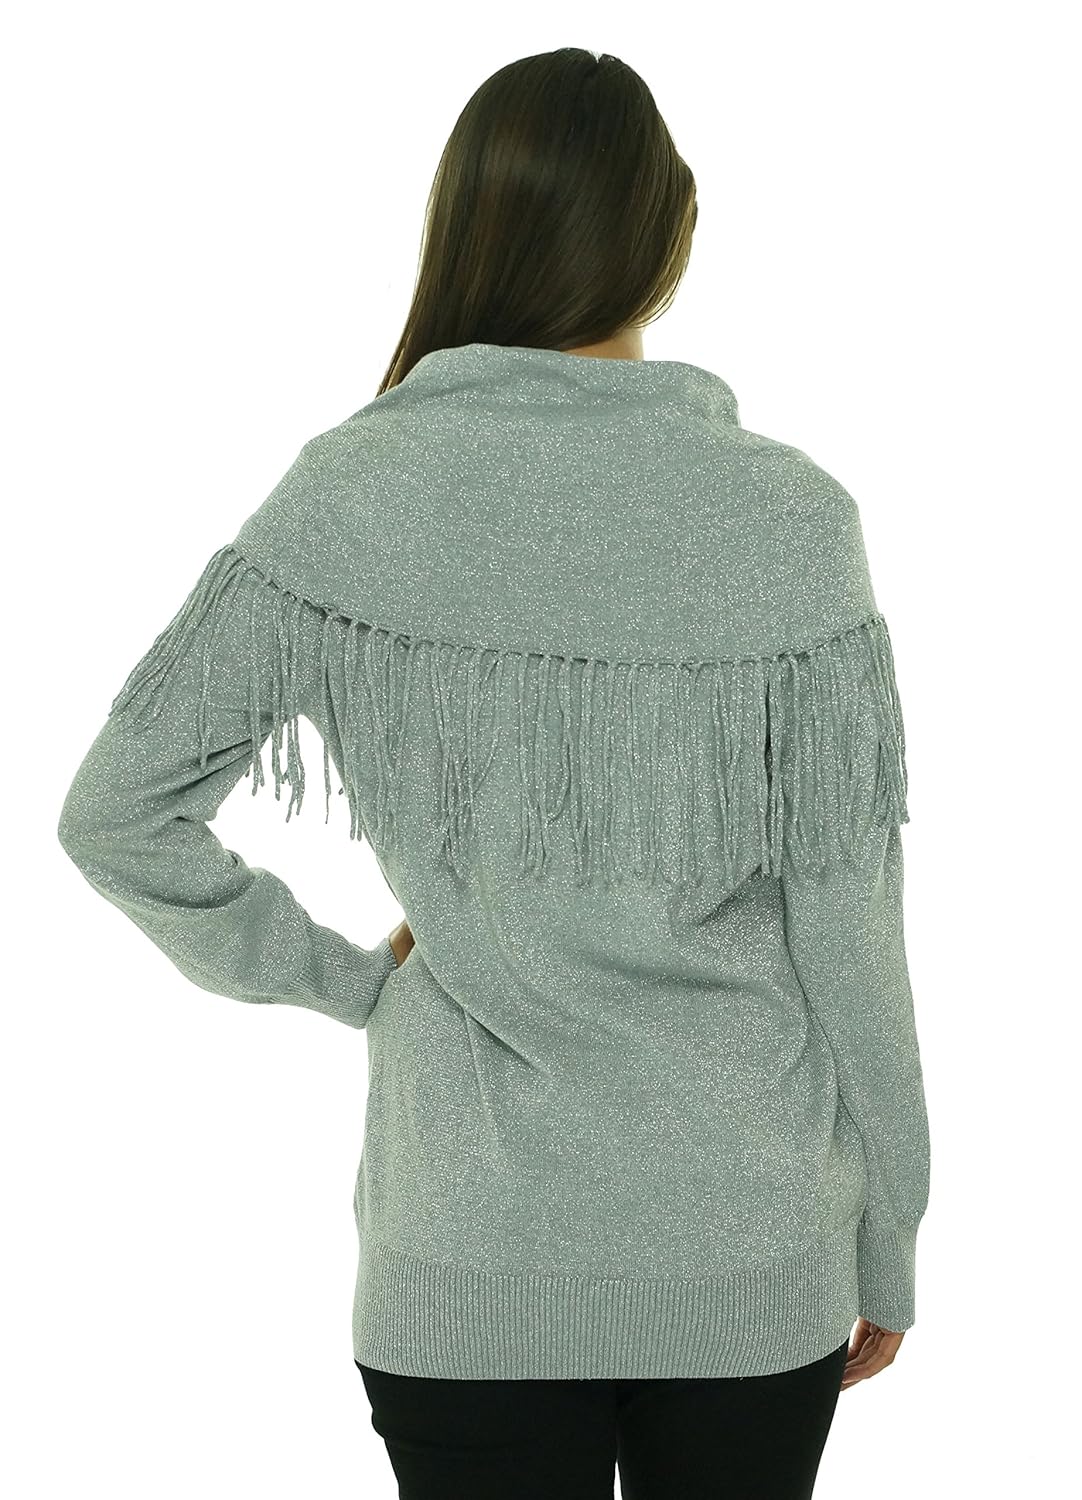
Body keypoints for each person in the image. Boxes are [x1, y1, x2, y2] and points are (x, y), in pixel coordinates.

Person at [56, 44, 930, 1500]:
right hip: (749, 1246)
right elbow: (852, 935)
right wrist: (891, 1232)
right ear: (669, 234)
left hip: (463, 1255)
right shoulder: (789, 519)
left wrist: (360, 985)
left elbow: (117, 815)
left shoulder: (351, 492)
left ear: (463, 230)